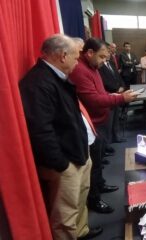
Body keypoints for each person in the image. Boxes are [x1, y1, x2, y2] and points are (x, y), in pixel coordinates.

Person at [19, 34, 102, 239]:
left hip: (78, 151)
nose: (78, 61)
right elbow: (40, 130)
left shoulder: (59, 77)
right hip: (66, 161)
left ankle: (81, 232)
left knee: (80, 200)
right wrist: (61, 164)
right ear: (63, 56)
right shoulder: (38, 83)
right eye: (76, 57)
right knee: (65, 213)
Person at [70, 38, 138, 214]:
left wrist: (113, 94)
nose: (103, 61)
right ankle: (94, 200)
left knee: (98, 162)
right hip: (93, 125)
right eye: (101, 57)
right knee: (92, 165)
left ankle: (100, 185)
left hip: (100, 121)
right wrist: (120, 98)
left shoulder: (93, 67)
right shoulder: (80, 70)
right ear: (90, 53)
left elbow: (99, 93)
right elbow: (92, 100)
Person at [99, 43, 126, 143]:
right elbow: (104, 81)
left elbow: (118, 77)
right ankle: (108, 143)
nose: (109, 54)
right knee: (108, 122)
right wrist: (116, 88)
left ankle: (116, 137)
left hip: (117, 94)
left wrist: (122, 86)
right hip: (109, 95)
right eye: (108, 52)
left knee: (115, 119)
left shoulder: (111, 63)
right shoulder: (100, 66)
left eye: (110, 52)